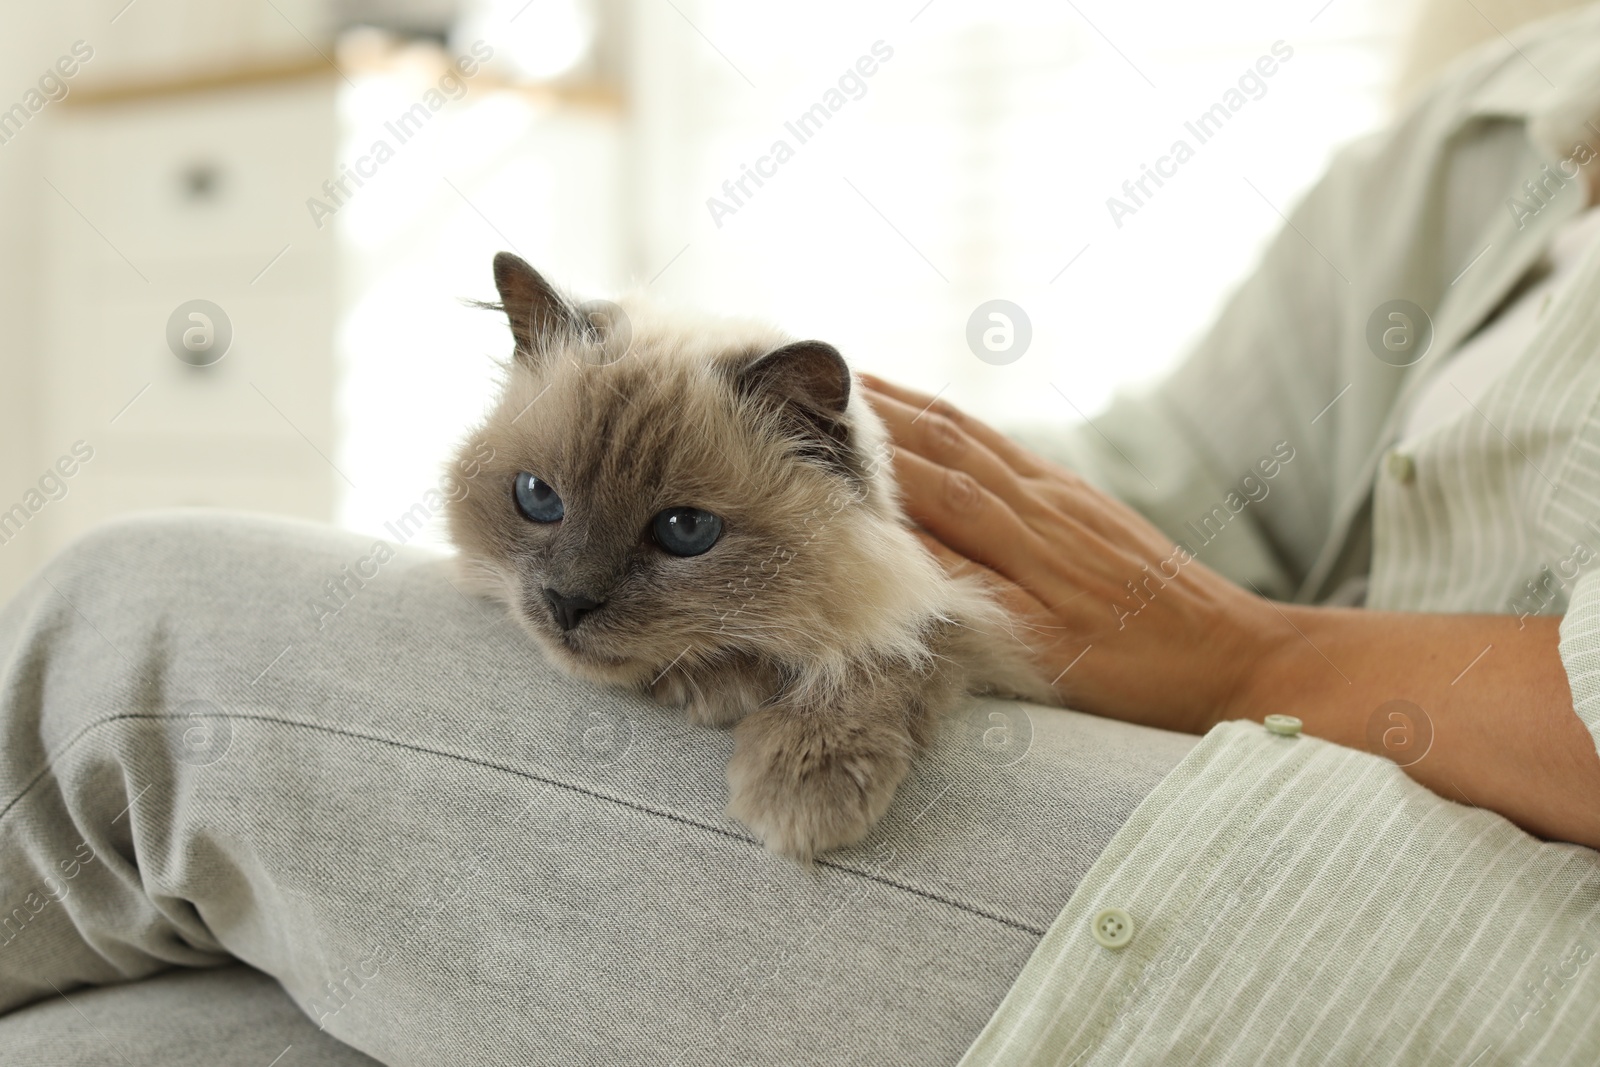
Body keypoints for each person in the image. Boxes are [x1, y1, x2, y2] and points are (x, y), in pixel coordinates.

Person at [4, 7, 1600, 1066]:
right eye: (542, 516)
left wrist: (1262, 654)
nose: (569, 594)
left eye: (669, 541)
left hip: (1465, 924)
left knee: (135, 648)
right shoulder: (1494, 129)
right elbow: (1160, 493)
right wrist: (859, 493)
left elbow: (1203, 611)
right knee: (155, 1033)